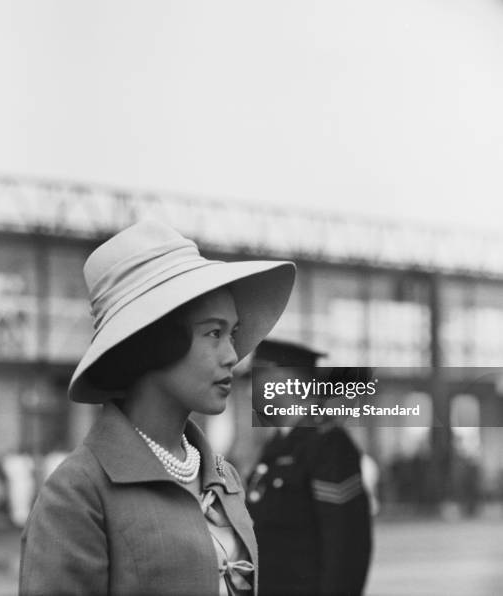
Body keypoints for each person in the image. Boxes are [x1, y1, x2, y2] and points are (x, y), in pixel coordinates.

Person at [19, 220, 295, 596]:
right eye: (213, 333)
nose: (233, 356)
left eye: (232, 334)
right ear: (154, 342)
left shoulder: (224, 477)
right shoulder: (77, 494)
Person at [247, 339, 372, 596]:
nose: (250, 390)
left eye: (255, 378)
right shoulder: (278, 445)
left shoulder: (328, 445)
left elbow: (346, 546)